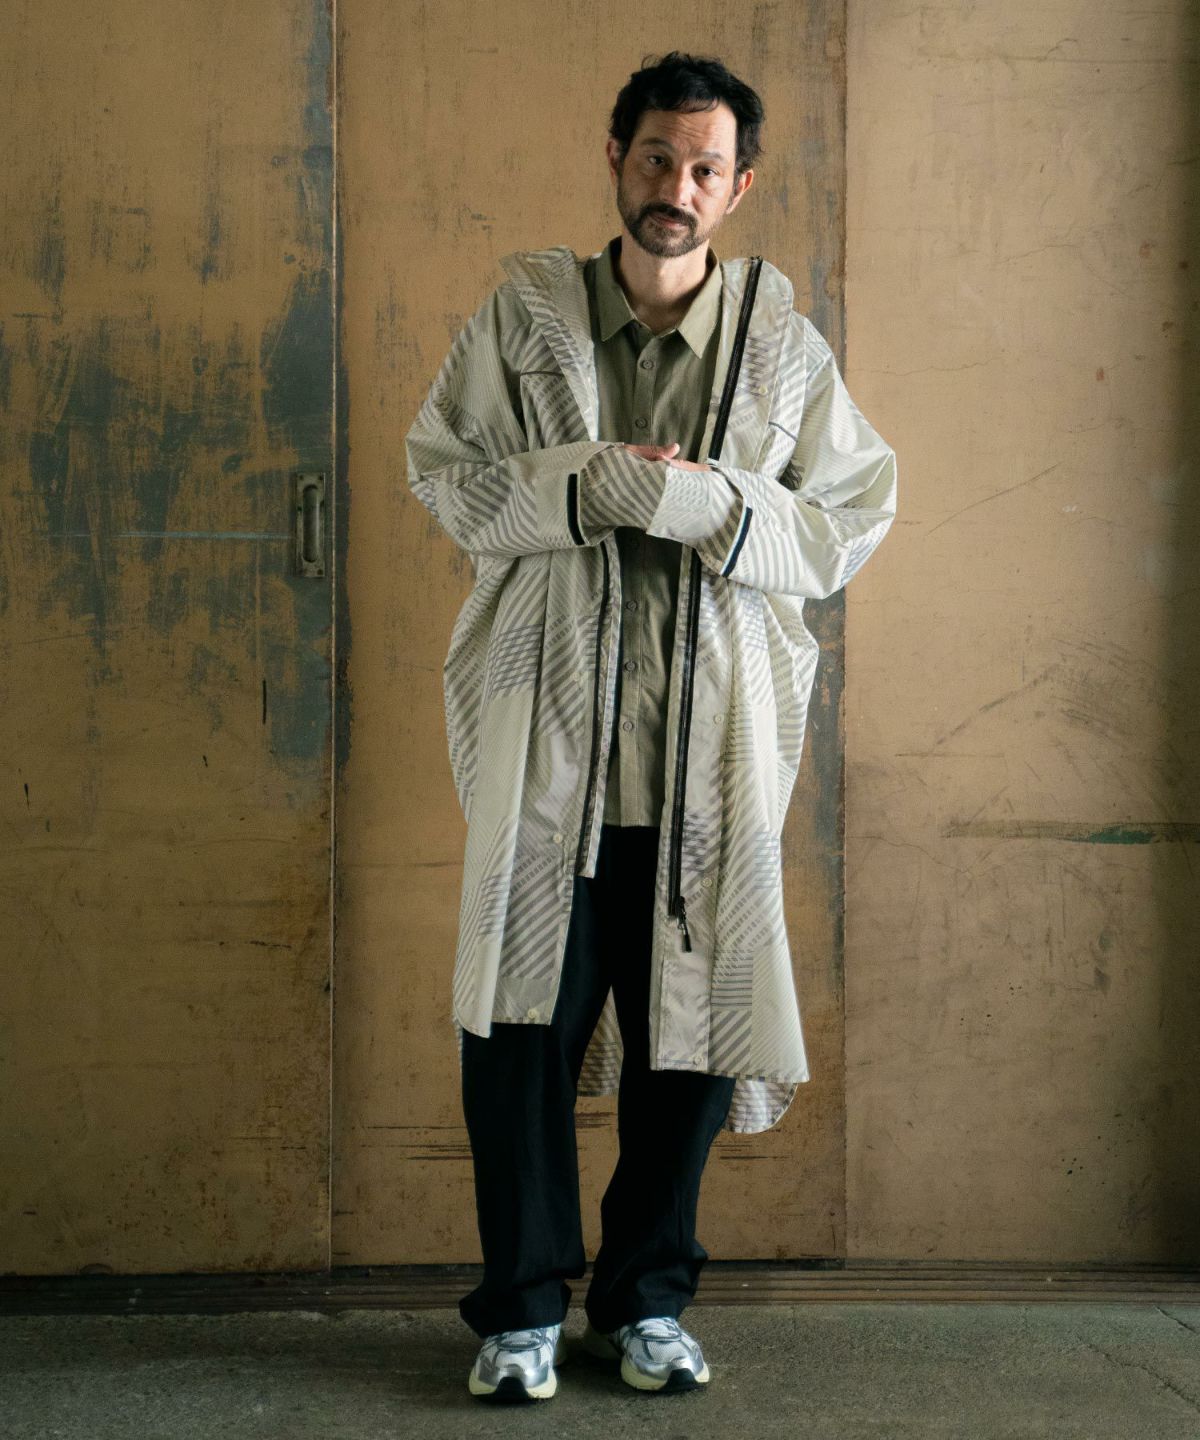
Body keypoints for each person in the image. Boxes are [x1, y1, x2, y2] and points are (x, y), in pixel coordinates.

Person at [404, 50, 898, 1403]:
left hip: (708, 763)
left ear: (740, 186)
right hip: (546, 758)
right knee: (517, 1039)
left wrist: (706, 504)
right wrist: (591, 483)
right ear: (616, 160)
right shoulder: (523, 320)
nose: (676, 186)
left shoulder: (782, 346)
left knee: (689, 1046)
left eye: (704, 167)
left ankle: (646, 1303)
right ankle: (519, 1315)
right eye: (655, 158)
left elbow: (853, 518)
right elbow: (442, 473)